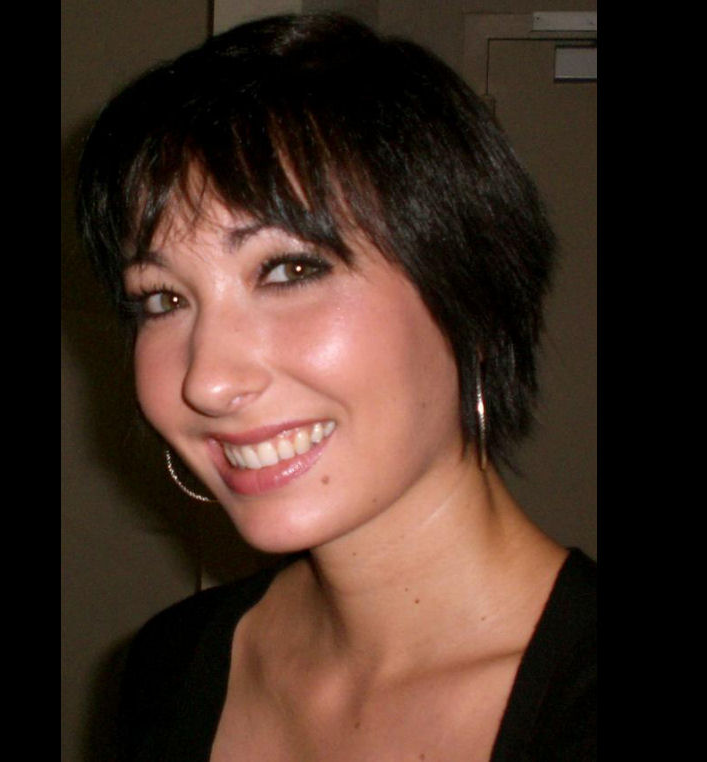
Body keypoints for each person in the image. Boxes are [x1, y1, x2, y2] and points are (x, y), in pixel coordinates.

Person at [76, 13, 596, 761]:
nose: (208, 381)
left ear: (473, 295)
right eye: (163, 299)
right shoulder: (169, 666)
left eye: (289, 270)